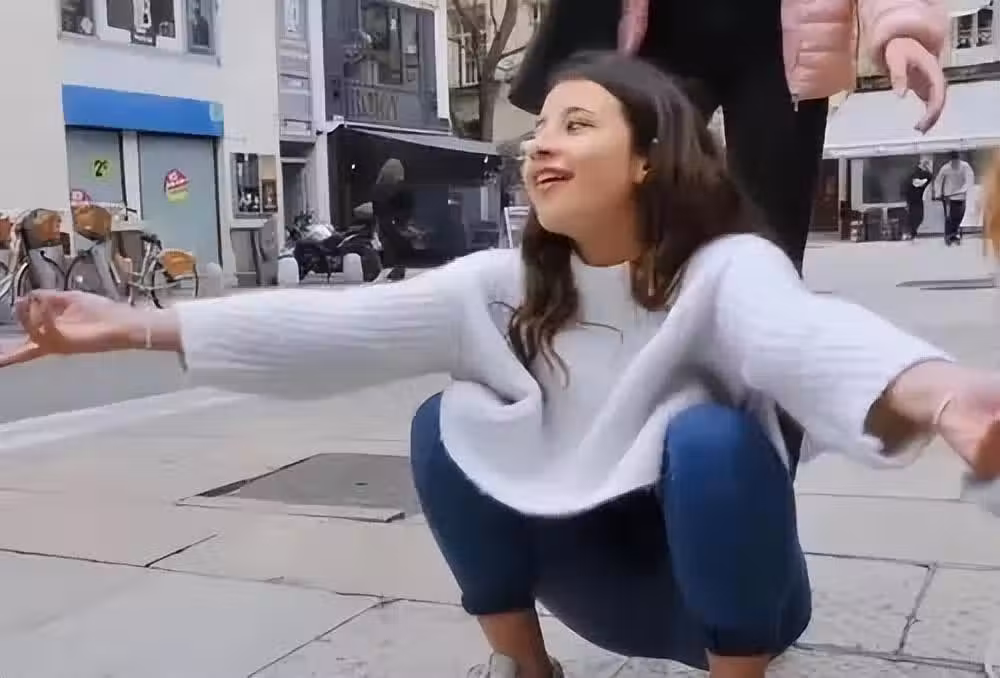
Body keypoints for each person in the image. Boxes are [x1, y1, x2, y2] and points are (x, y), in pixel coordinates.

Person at [4, 53, 1000, 678]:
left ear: (649, 158)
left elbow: (800, 335)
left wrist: (940, 393)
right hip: (586, 583)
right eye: (540, 130)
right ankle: (526, 671)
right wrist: (129, 326)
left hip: (737, 601)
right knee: (444, 425)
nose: (541, 147)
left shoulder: (726, 269)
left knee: (710, 439)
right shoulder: (498, 285)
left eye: (578, 125)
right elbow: (334, 328)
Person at [509, 0, 948, 273]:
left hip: (783, 41)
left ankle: (763, 367)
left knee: (773, 239)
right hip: (658, 30)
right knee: (631, 210)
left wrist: (901, 27)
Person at [934, 151, 976, 246]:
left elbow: (969, 179)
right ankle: (949, 235)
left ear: (959, 159)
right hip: (948, 197)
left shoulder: (965, 166)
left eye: (956, 161)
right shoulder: (946, 168)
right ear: (950, 160)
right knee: (949, 216)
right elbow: (938, 180)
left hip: (960, 196)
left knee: (959, 215)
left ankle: (954, 233)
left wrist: (963, 189)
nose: (954, 163)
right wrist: (938, 193)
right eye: (953, 161)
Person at [901, 160, 933, 240]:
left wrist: (926, 167)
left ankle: (911, 232)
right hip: (912, 199)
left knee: (917, 216)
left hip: (916, 199)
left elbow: (929, 177)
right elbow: (928, 177)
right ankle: (909, 233)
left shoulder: (922, 175)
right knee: (914, 216)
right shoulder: (915, 174)